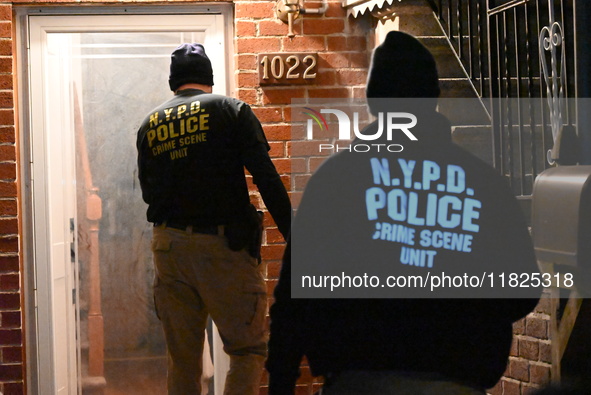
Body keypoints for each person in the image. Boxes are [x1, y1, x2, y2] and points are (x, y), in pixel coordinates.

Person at [266, 31, 541, 394]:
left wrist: (281, 378)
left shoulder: (335, 180)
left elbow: (293, 296)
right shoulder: (481, 181)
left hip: (356, 379)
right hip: (457, 379)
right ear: (433, 98)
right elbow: (522, 289)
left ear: (373, 101)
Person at [136, 43, 292, 395]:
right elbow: (265, 177)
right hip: (222, 247)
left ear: (173, 82)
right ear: (209, 78)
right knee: (247, 349)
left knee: (183, 359)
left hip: (168, 247)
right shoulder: (230, 109)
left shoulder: (150, 123)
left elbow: (149, 194)